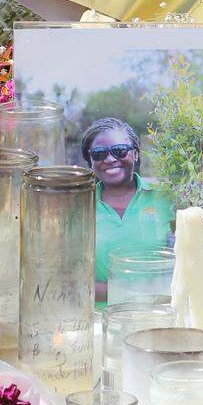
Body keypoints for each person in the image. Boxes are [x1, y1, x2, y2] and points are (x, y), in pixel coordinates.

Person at [80, 116, 173, 304]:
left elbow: (197, 254)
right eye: (98, 154)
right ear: (90, 161)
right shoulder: (79, 207)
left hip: (160, 316)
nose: (110, 159)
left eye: (120, 151)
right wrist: (133, 295)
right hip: (100, 322)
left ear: (136, 154)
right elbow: (71, 281)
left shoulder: (165, 199)